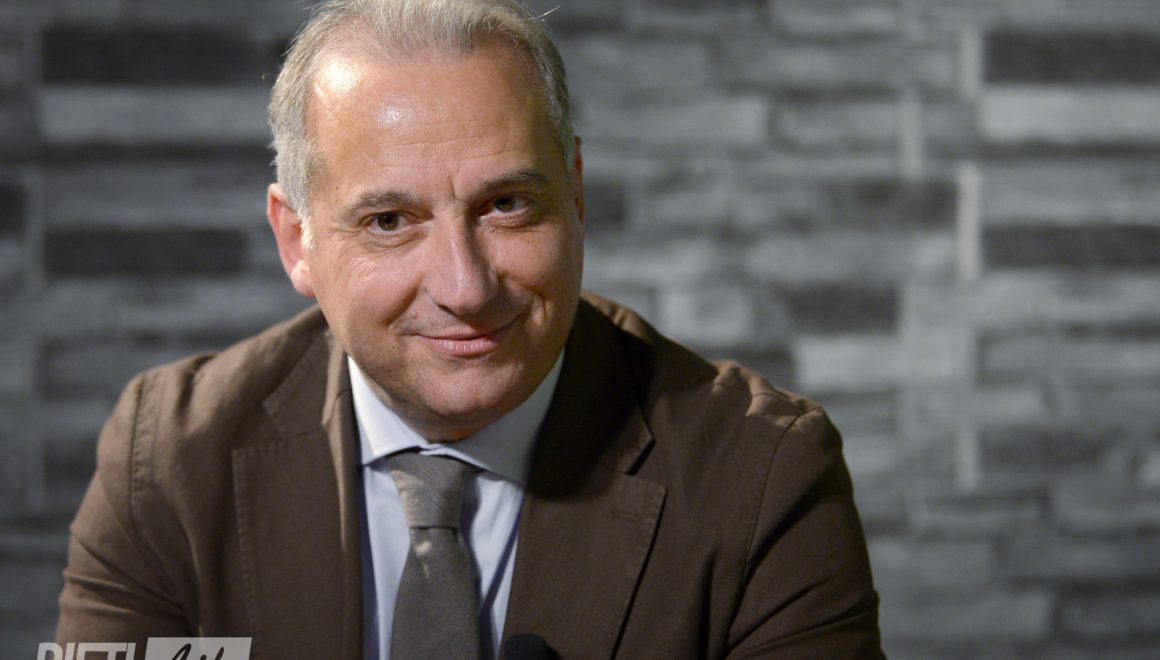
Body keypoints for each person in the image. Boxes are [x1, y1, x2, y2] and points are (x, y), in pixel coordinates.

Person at [55, 0, 883, 657]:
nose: (465, 287)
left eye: (507, 204)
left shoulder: (763, 475)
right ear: (297, 241)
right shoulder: (167, 457)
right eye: (389, 221)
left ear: (576, 196)